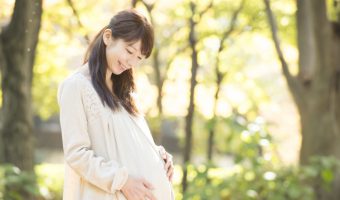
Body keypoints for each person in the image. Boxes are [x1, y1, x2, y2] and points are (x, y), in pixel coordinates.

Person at [57, 9, 174, 200]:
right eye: (129, 51)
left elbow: (127, 143)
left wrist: (159, 156)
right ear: (108, 37)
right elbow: (76, 154)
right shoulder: (76, 86)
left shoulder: (125, 92)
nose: (132, 62)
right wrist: (122, 181)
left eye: (139, 58)